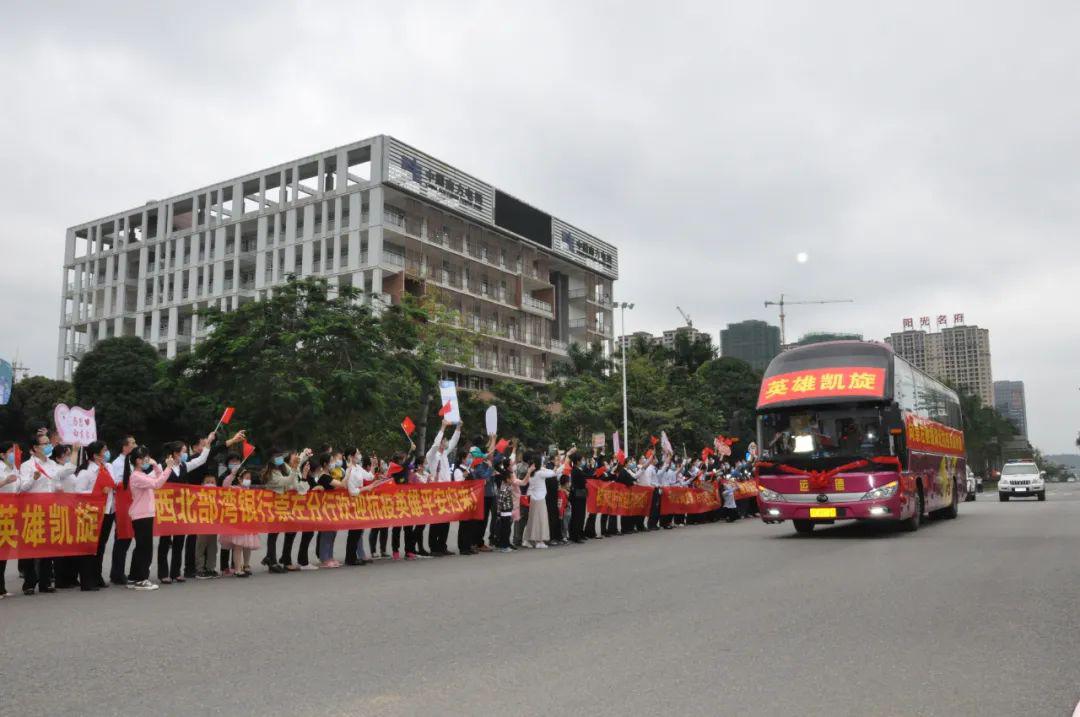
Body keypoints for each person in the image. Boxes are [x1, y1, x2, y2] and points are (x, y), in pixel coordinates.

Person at [18, 432, 77, 595]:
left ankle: (45, 582)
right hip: (34, 510)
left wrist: (75, 452)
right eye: (44, 444)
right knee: (31, 547)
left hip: (51, 509)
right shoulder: (27, 466)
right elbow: (22, 487)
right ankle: (29, 583)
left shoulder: (52, 464)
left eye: (47, 443)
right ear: (35, 448)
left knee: (48, 547)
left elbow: (67, 471)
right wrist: (34, 479)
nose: (48, 445)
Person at [157, 435, 213, 584]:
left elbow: (200, 460)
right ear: (175, 453)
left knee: (179, 541)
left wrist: (208, 444)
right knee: (164, 541)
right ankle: (163, 573)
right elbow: (153, 481)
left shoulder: (183, 466)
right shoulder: (162, 466)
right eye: (183, 451)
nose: (185, 454)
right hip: (167, 509)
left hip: (181, 508)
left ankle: (176, 572)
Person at [125, 446, 176, 591]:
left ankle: (133, 578)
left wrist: (155, 464)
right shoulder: (136, 476)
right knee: (145, 549)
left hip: (145, 515)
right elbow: (157, 484)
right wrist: (169, 467)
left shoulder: (142, 474)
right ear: (137, 460)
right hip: (142, 515)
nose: (146, 460)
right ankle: (142, 579)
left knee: (141, 548)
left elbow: (158, 477)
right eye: (144, 458)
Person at [69, 441, 114, 591]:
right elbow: (79, 492)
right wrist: (99, 492)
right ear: (95, 455)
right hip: (90, 514)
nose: (106, 452)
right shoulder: (86, 471)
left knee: (100, 546)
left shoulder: (105, 468)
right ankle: (86, 581)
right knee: (89, 547)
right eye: (104, 450)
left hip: (106, 511)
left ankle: (97, 576)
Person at [425, 421, 461, 556]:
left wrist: (458, 427)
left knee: (446, 520)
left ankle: (442, 545)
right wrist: (443, 427)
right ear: (440, 442)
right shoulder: (432, 455)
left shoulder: (445, 454)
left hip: (448, 491)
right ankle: (434, 547)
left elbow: (453, 441)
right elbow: (435, 444)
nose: (446, 442)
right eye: (444, 440)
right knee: (437, 520)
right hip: (437, 492)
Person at [106, 435, 136, 586]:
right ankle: (117, 573)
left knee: (126, 539)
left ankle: (118, 572)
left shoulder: (130, 462)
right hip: (122, 505)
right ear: (124, 447)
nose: (135, 445)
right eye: (132, 443)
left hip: (132, 504)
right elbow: (117, 482)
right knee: (122, 539)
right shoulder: (117, 463)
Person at [261, 449, 297, 573]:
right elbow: (286, 481)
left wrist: (295, 468)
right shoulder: (271, 473)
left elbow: (292, 481)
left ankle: (269, 557)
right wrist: (295, 471)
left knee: (274, 533)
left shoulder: (282, 468)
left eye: (281, 456)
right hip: (273, 506)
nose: (280, 459)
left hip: (282, 505)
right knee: (273, 533)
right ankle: (272, 562)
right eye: (277, 457)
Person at [221, 468, 259, 577]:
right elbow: (225, 486)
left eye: (250, 478)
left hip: (249, 521)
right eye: (246, 478)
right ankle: (237, 568)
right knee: (238, 546)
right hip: (237, 522)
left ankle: (246, 565)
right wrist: (232, 474)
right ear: (240, 479)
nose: (248, 480)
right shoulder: (236, 489)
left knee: (247, 545)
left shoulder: (251, 491)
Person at [344, 452, 380, 566]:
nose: (359, 455)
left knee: (358, 530)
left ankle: (353, 556)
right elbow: (352, 490)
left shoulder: (358, 467)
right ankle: (350, 558)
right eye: (357, 453)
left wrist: (374, 466)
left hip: (360, 501)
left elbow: (369, 476)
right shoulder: (349, 469)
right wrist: (367, 488)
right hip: (353, 500)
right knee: (354, 531)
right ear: (351, 456)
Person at [0, 441, 21, 597]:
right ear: (2, 454)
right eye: (10, 451)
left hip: (10, 513)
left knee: (5, 550)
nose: (14, 454)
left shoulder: (14, 468)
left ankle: (2, 587)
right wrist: (5, 481)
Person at [523, 456, 550, 548]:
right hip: (540, 499)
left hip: (533, 498)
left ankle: (527, 539)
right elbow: (553, 473)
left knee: (532, 519)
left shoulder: (532, 473)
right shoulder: (540, 473)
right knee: (540, 519)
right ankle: (539, 541)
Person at [493, 463, 515, 553]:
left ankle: (505, 544)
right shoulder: (504, 489)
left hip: (508, 511)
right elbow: (500, 502)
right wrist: (498, 513)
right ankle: (503, 546)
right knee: (505, 530)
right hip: (504, 512)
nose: (512, 479)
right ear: (507, 479)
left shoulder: (508, 487)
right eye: (511, 478)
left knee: (508, 529)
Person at [568, 452, 589, 543]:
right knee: (578, 516)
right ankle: (575, 536)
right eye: (581, 460)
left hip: (580, 494)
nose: (582, 461)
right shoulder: (576, 470)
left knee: (580, 515)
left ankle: (579, 533)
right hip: (577, 495)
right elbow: (582, 482)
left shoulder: (577, 469)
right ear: (577, 461)